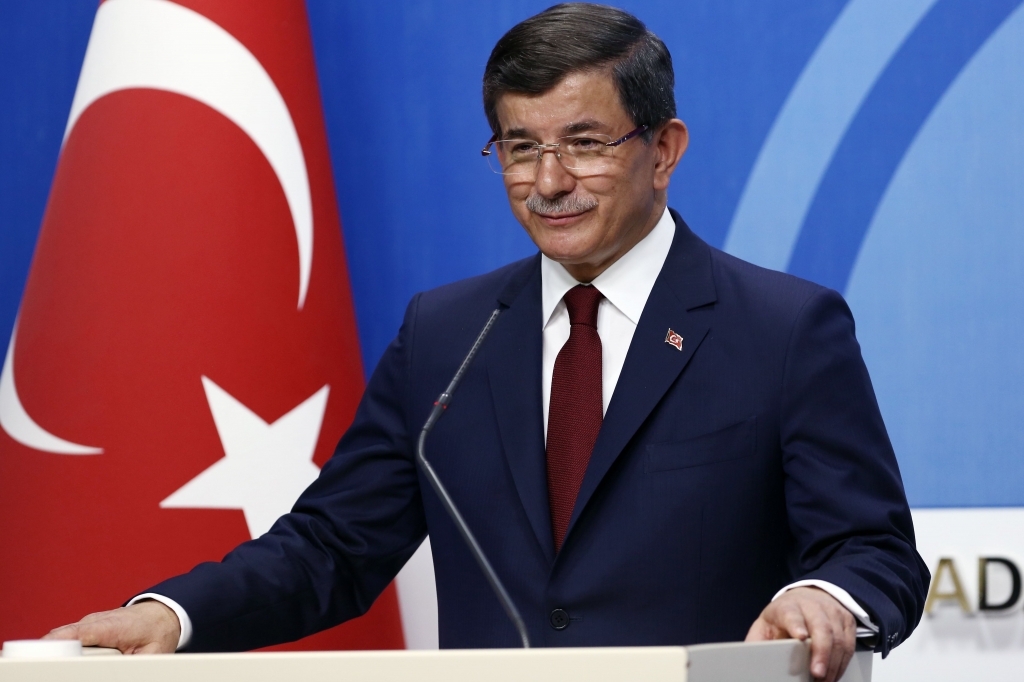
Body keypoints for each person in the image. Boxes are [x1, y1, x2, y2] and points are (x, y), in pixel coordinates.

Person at [46, 4, 929, 681]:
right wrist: (176, 615)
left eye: (584, 144)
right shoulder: (448, 334)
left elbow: (876, 551)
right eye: (519, 147)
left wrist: (824, 595)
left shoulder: (783, 328)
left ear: (663, 149)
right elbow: (334, 546)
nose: (549, 183)